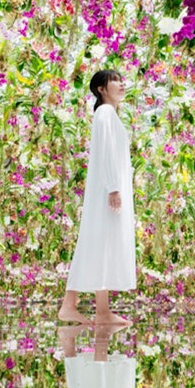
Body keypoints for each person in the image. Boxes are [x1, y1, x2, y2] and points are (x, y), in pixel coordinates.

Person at [59, 70, 136, 325]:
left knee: (102, 244)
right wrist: (113, 187)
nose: (121, 83)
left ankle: (101, 309)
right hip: (107, 190)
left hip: (108, 189)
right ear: (102, 89)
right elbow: (106, 152)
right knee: (97, 242)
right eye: (115, 80)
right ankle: (71, 304)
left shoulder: (110, 115)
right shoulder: (105, 113)